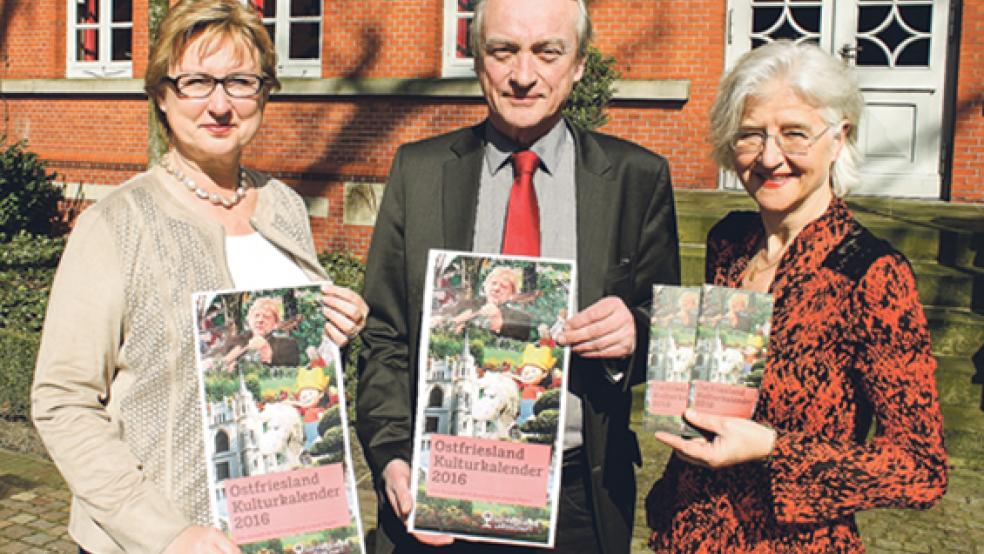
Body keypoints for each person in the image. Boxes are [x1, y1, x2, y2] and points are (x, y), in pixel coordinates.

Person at [30, 2, 369, 553]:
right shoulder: (116, 223)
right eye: (195, 82)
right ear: (161, 95)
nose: (219, 104)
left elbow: (292, 362)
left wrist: (335, 330)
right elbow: (63, 400)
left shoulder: (282, 205)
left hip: (285, 524)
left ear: (264, 93)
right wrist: (164, 533)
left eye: (240, 81)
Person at [355, 0, 679, 552]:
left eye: (547, 52)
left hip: (578, 496)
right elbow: (384, 335)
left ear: (578, 63)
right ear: (478, 59)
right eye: (503, 51)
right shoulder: (419, 171)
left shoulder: (636, 178)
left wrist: (635, 335)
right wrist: (392, 454)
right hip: (442, 486)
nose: (523, 75)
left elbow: (664, 329)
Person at [646, 41, 947, 552]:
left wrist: (772, 449)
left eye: (794, 135)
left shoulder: (871, 274)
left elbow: (921, 468)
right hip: (692, 531)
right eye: (750, 135)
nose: (769, 157)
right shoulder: (730, 243)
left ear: (838, 138)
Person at [433, 265, 532, 340]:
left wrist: (498, 321)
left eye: (504, 286)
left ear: (512, 294)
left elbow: (518, 344)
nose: (496, 288)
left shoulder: (521, 319)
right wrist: (442, 320)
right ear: (485, 286)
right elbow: (442, 314)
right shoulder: (465, 304)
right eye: (493, 283)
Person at [222, 296, 301, 368]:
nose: (260, 320)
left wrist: (267, 352)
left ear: (275, 323)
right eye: (256, 315)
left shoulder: (288, 344)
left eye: (266, 317)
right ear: (249, 320)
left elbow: (291, 370)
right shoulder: (234, 341)